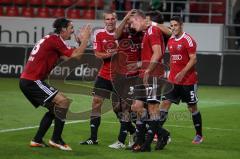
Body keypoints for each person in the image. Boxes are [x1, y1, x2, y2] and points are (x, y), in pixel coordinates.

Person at [19, 18, 91, 151]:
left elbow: (73, 58)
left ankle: (37, 140)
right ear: (63, 29)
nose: (73, 31)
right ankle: (56, 139)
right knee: (63, 102)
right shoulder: (55, 40)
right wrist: (86, 39)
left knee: (55, 109)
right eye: (71, 28)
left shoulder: (54, 40)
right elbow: (76, 56)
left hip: (30, 80)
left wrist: (80, 43)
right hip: (32, 81)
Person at [129, 9, 169, 152]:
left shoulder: (152, 31)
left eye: (133, 22)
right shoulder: (147, 33)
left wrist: (148, 70)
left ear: (141, 19)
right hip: (144, 74)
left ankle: (145, 144)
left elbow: (157, 53)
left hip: (153, 75)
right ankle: (161, 135)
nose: (132, 26)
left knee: (152, 109)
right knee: (136, 107)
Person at [160, 16, 203, 144]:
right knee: (165, 104)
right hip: (173, 80)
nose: (173, 28)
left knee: (192, 107)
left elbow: (193, 59)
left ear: (181, 25)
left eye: (175, 25)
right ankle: (159, 132)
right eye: (171, 25)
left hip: (188, 81)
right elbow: (174, 58)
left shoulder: (188, 40)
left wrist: (182, 72)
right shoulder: (171, 40)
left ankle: (199, 135)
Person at [80, 10, 118, 145]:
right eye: (107, 19)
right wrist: (112, 53)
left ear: (116, 20)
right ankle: (93, 138)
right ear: (104, 21)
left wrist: (108, 53)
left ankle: (132, 131)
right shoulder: (99, 33)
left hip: (119, 77)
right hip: (104, 75)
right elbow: (98, 54)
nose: (110, 21)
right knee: (96, 103)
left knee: (118, 108)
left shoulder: (122, 34)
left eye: (112, 19)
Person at [108, 9, 143, 149]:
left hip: (134, 77)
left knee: (126, 108)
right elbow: (115, 34)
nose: (130, 24)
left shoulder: (143, 35)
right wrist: (125, 18)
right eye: (129, 21)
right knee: (117, 108)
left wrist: (139, 65)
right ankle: (139, 132)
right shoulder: (123, 33)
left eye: (132, 21)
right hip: (120, 75)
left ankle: (121, 141)